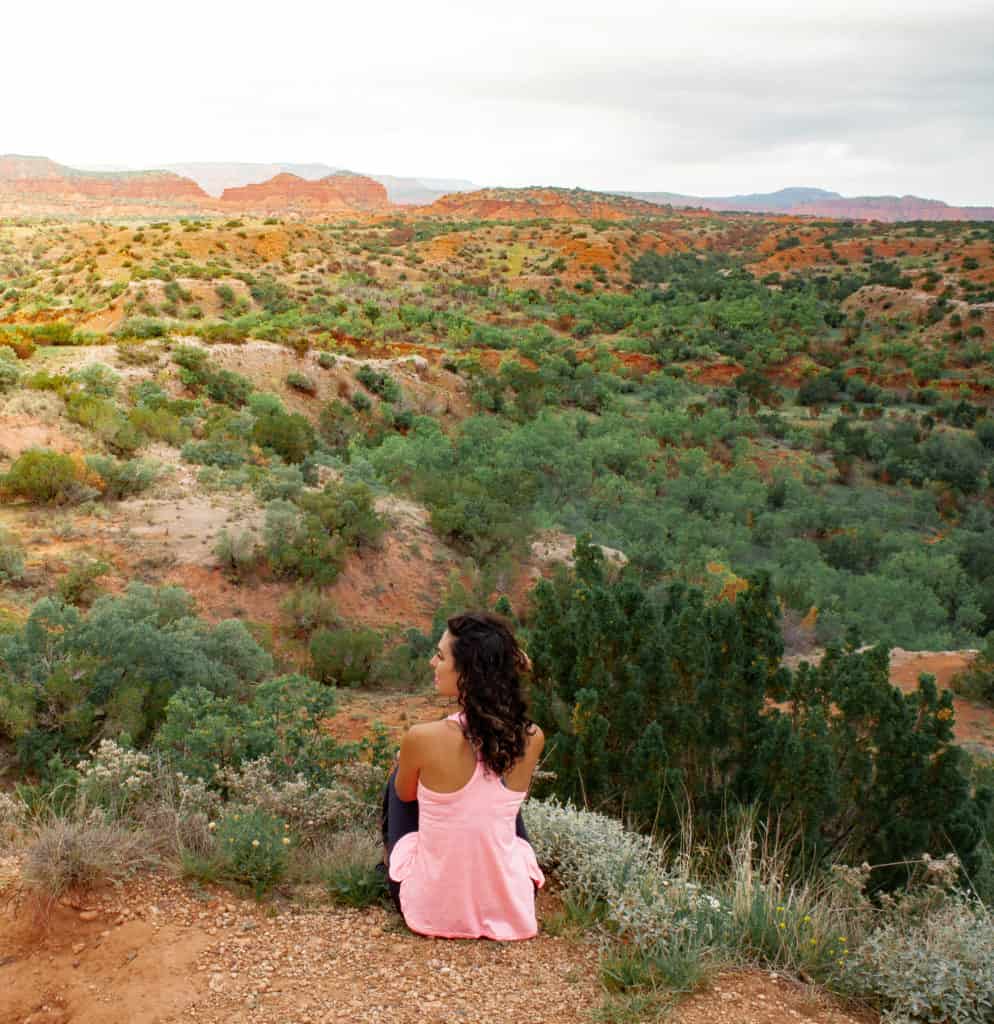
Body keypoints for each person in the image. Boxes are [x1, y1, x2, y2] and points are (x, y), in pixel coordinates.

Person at [380, 611, 545, 940]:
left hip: (431, 908)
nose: (432, 663)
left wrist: (407, 763)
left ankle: (397, 868)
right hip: (511, 906)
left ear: (468, 672)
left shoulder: (422, 737)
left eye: (440, 656)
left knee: (401, 775)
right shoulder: (532, 736)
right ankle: (490, 890)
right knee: (502, 800)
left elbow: (407, 797)